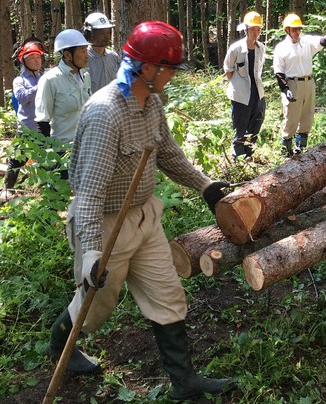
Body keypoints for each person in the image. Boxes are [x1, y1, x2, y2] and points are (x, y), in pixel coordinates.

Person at [45, 21, 234, 401]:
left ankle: (184, 382)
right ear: (148, 69)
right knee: (95, 307)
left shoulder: (152, 103)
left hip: (145, 217)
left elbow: (168, 154)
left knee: (168, 295)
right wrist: (92, 252)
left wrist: (205, 185)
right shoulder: (105, 114)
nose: (172, 77)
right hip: (105, 224)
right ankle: (58, 346)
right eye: (169, 70)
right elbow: (89, 194)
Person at [273, 13, 326, 157]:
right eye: (294, 30)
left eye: (299, 29)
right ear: (287, 30)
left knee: (307, 115)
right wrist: (285, 89)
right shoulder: (281, 48)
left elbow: (320, 41)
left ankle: (301, 148)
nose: (297, 32)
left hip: (308, 83)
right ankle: (286, 148)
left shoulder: (306, 42)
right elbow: (278, 72)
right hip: (292, 83)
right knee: (291, 116)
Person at [34, 28, 92, 143]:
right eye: (82, 50)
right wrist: (47, 154)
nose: (87, 55)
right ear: (67, 55)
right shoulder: (50, 80)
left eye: (86, 50)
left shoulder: (85, 76)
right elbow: (42, 121)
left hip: (85, 147)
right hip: (61, 150)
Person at [223, 11, 266, 159]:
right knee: (240, 125)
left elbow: (258, 70)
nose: (256, 33)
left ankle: (249, 153)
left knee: (257, 122)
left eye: (258, 29)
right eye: (253, 29)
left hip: (257, 92)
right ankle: (238, 155)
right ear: (246, 30)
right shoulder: (236, 48)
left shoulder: (261, 48)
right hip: (240, 94)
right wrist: (237, 85)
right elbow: (228, 69)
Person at [4, 41, 45, 188]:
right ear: (24, 61)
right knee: (18, 159)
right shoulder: (19, 80)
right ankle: (7, 189)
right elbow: (22, 96)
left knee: (48, 159)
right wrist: (39, 87)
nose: (36, 60)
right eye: (32, 57)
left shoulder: (45, 77)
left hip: (45, 126)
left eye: (38, 57)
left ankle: (45, 190)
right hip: (28, 128)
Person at [84, 12, 121, 92]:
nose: (106, 36)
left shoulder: (114, 57)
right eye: (102, 33)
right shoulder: (84, 58)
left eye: (108, 32)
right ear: (90, 34)